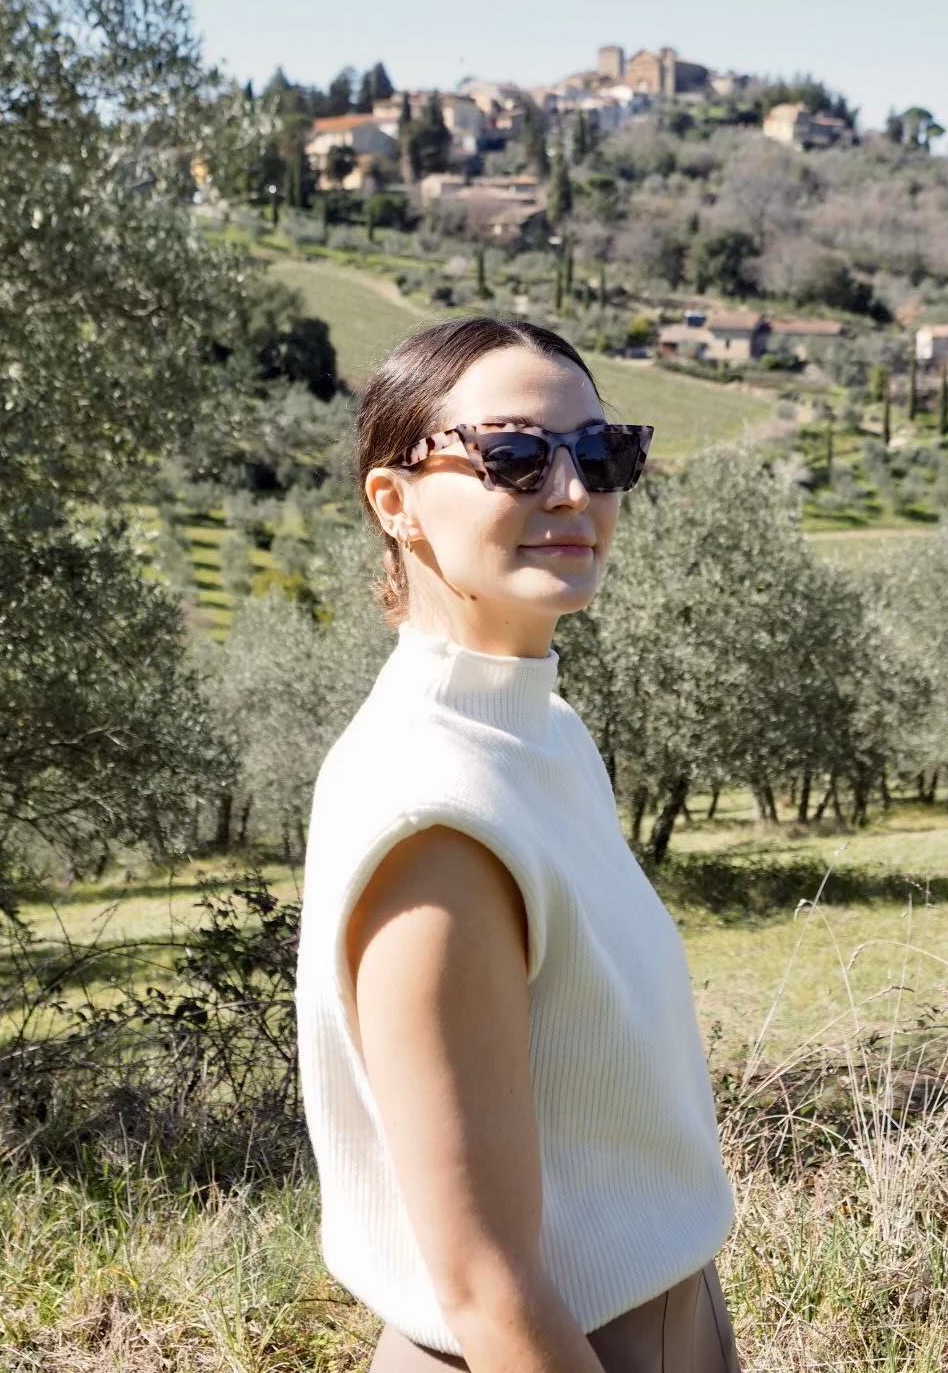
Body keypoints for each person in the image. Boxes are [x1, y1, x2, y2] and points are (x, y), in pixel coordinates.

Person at [295, 317, 741, 1373]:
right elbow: (489, 1289)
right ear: (393, 502)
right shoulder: (437, 811)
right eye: (512, 455)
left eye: (602, 453)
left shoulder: (539, 736)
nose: (574, 492)